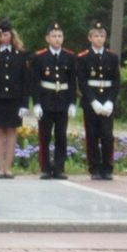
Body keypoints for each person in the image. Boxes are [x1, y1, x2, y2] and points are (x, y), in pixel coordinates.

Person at [0, 19, 30, 178]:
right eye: (1, 35)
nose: (4, 37)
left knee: (11, 132)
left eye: (6, 34)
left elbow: (25, 80)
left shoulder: (20, 54)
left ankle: (8, 167)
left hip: (14, 99)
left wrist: (24, 103)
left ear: (11, 35)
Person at [30, 21, 77, 180]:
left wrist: (72, 102)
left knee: (61, 136)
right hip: (46, 100)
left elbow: (72, 82)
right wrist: (36, 103)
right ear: (47, 38)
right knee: (45, 136)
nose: (57, 39)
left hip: (62, 100)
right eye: (54, 36)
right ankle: (45, 168)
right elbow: (35, 82)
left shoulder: (69, 56)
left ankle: (59, 168)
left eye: (60, 36)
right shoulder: (40, 57)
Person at [76, 20, 121, 180]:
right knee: (92, 134)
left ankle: (107, 167)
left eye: (102, 36)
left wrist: (110, 101)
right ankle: (94, 167)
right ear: (90, 38)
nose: (99, 38)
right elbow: (82, 82)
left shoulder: (112, 57)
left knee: (107, 135)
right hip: (92, 101)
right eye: (96, 35)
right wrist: (93, 101)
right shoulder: (83, 58)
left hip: (107, 99)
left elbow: (116, 82)